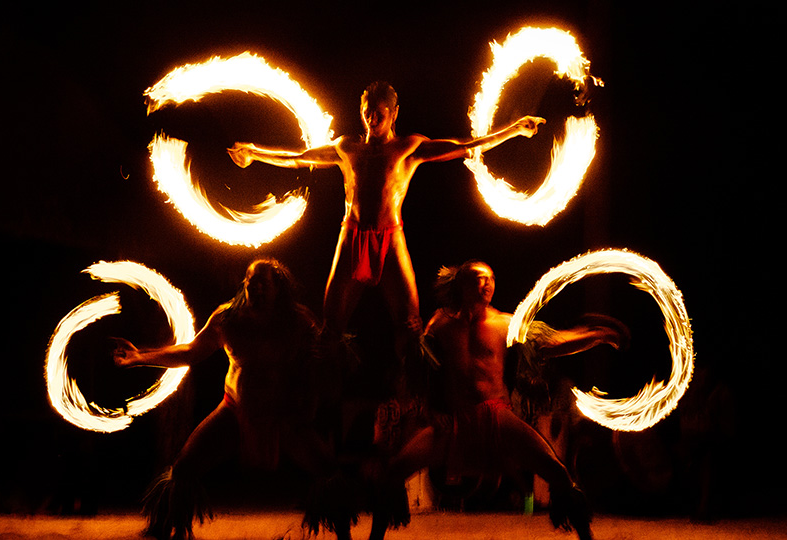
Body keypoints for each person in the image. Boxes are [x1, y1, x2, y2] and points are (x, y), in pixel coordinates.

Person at [228, 82, 546, 364]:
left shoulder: (408, 147)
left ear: (394, 113)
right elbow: (300, 157)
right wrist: (255, 152)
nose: (372, 119)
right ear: (361, 111)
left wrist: (514, 129)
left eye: (380, 113)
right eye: (368, 112)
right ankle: (325, 402)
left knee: (410, 325)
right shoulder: (347, 147)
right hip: (350, 236)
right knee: (331, 326)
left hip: (390, 238)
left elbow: (465, 145)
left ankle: (412, 398)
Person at [367, 261, 630, 540]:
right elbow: (421, 369)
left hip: (498, 415)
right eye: (480, 278)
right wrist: (432, 408)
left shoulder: (505, 323)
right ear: (462, 284)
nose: (487, 284)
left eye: (491, 278)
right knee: (394, 471)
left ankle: (586, 537)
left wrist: (599, 335)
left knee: (557, 472)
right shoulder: (440, 323)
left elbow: (554, 344)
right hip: (454, 419)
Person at [113, 259, 357, 540]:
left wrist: (329, 357)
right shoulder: (228, 319)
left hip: (284, 415)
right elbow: (191, 352)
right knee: (184, 467)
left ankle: (343, 535)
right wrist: (141, 357)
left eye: (263, 282)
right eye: (251, 282)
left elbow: (329, 355)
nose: (256, 288)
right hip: (235, 409)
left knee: (327, 469)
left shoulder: (299, 321)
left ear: (279, 287)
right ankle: (171, 528)